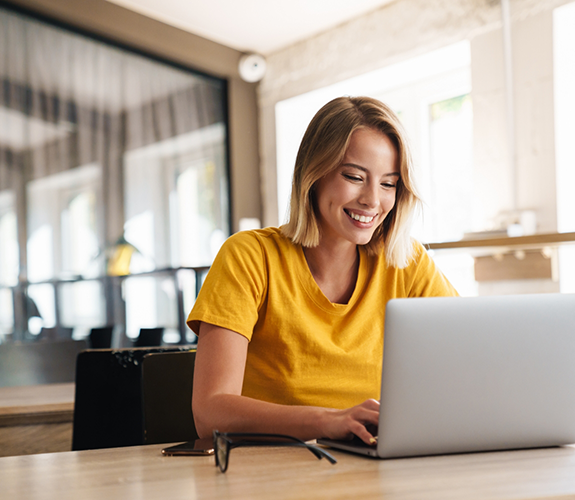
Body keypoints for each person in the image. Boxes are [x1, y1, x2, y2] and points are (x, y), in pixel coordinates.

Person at [187, 96, 458, 445]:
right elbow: (209, 414)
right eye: (354, 177)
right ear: (313, 174)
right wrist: (327, 421)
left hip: (373, 467)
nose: (373, 200)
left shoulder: (406, 262)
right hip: (270, 473)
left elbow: (468, 364)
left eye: (388, 183)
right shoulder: (250, 256)